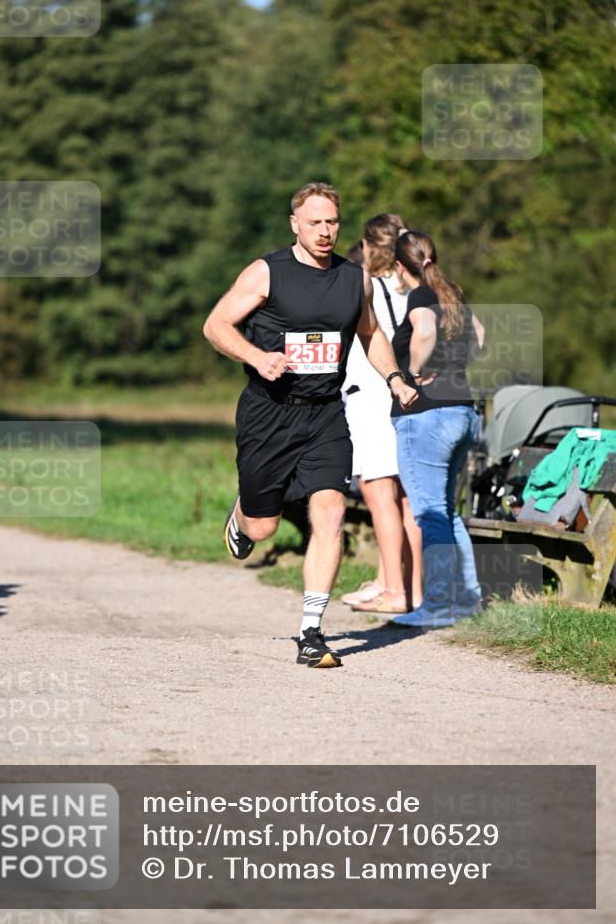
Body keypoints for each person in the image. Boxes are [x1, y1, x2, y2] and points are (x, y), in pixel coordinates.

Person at [202, 182, 418, 668]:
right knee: (263, 529)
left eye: (332, 222)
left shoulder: (353, 277)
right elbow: (216, 326)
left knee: (331, 512)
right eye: (315, 222)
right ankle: (243, 515)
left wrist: (395, 379)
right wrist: (257, 357)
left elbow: (371, 333)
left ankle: (312, 632)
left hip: (325, 413)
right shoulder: (266, 272)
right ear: (295, 224)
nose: (325, 232)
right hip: (269, 411)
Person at [388, 230, 485, 627]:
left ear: (399, 266)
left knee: (429, 513)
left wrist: (412, 372)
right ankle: (466, 601)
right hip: (462, 409)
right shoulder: (453, 293)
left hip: (425, 416)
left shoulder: (421, 295)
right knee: (447, 511)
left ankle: (438, 607)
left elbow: (424, 331)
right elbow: (480, 337)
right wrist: (454, 366)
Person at [340, 214, 423, 614]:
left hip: (373, 394)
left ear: (369, 245)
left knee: (379, 494)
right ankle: (409, 588)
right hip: (410, 393)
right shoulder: (418, 286)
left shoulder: (364, 284)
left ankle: (394, 591)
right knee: (408, 499)